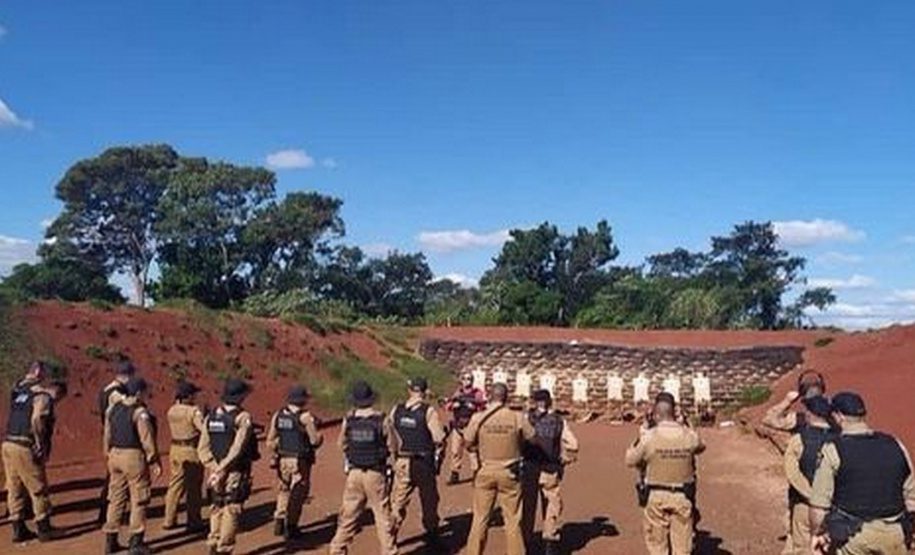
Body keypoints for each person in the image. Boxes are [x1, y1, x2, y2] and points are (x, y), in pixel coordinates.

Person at [809, 392, 915, 555]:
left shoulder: (833, 449)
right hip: (894, 533)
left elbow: (819, 506)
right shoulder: (895, 443)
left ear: (839, 417)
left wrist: (818, 534)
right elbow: (911, 496)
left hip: (853, 537)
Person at [625, 392, 705, 555]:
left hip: (656, 496)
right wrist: (686, 424)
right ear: (673, 413)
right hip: (682, 496)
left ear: (656, 415)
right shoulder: (687, 435)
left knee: (657, 548)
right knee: (682, 549)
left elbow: (630, 460)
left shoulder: (649, 437)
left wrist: (643, 432)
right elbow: (701, 445)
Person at [464, 382, 536, 555]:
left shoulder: (478, 417)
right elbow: (533, 438)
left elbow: (467, 442)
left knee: (480, 519)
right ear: (506, 397)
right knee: (512, 520)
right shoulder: (516, 417)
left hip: (486, 469)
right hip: (510, 471)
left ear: (489, 396)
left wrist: (479, 448)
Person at [328, 380, 398, 555]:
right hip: (376, 473)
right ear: (371, 399)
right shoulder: (382, 419)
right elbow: (394, 446)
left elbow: (341, 445)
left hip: (354, 473)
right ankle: (389, 552)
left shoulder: (349, 420)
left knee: (348, 516)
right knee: (382, 516)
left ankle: (336, 549)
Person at [2, 361, 61, 543]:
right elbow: (37, 419)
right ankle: (44, 528)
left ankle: (18, 529)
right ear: (38, 372)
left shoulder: (19, 388)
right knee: (38, 487)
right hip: (24, 444)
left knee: (14, 486)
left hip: (8, 443)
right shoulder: (41, 396)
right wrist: (39, 442)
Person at [103, 377, 161, 555]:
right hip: (133, 457)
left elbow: (107, 434)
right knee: (139, 498)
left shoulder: (112, 409)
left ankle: (110, 539)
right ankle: (135, 541)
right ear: (138, 393)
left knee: (116, 498)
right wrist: (154, 460)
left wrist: (107, 453)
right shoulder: (139, 412)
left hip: (114, 455)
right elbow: (147, 440)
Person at [199, 378, 258, 555]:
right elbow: (237, 448)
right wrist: (223, 468)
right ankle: (223, 549)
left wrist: (214, 467)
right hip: (234, 471)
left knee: (216, 506)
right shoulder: (242, 417)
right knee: (231, 508)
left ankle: (213, 542)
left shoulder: (211, 416)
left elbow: (202, 448)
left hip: (214, 470)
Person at [389, 377, 447, 547]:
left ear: (409, 390)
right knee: (429, 500)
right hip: (422, 462)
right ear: (425, 391)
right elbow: (438, 438)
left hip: (402, 461)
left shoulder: (396, 410)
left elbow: (390, 436)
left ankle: (389, 539)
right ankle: (432, 537)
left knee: (397, 502)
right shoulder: (428, 411)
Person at [521, 389, 580, 555]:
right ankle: (549, 542)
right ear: (549, 402)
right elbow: (573, 444)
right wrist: (565, 459)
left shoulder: (526, 418)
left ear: (535, 402)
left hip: (529, 467)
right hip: (550, 468)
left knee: (527, 506)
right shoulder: (559, 420)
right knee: (551, 505)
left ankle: (526, 541)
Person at [267, 383, 324, 541]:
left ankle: (279, 517)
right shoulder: (305, 417)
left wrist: (281, 445)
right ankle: (291, 526)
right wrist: (320, 437)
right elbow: (314, 441)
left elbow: (270, 441)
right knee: (298, 493)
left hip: (282, 459)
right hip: (299, 461)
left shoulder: (278, 415)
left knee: (284, 490)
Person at [782, 395, 837, 555]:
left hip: (805, 505)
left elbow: (792, 473)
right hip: (834, 507)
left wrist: (812, 496)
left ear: (810, 413)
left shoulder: (799, 439)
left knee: (803, 548)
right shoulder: (841, 438)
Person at [163, 380, 206, 531]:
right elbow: (203, 429)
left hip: (175, 449)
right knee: (193, 488)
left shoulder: (171, 410)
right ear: (187, 396)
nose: (195, 397)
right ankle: (194, 521)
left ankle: (169, 519)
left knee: (175, 485)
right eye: (193, 394)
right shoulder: (193, 411)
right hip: (190, 450)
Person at [97, 359, 136, 524]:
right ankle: (107, 513)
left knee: (113, 477)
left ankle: (107, 512)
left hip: (110, 435)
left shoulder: (105, 390)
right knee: (115, 480)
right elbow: (125, 408)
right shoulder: (116, 393)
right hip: (117, 436)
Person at [445, 371, 486, 485]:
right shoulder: (458, 393)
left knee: (472, 450)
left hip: (470, 425)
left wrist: (474, 407)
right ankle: (455, 473)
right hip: (458, 425)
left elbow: (483, 406)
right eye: (464, 379)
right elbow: (448, 405)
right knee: (455, 450)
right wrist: (454, 406)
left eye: (469, 379)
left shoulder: (477, 393)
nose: (466, 381)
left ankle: (476, 473)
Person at [763, 370, 827, 432]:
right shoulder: (833, 410)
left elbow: (769, 419)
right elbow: (768, 419)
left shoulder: (800, 419)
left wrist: (787, 401)